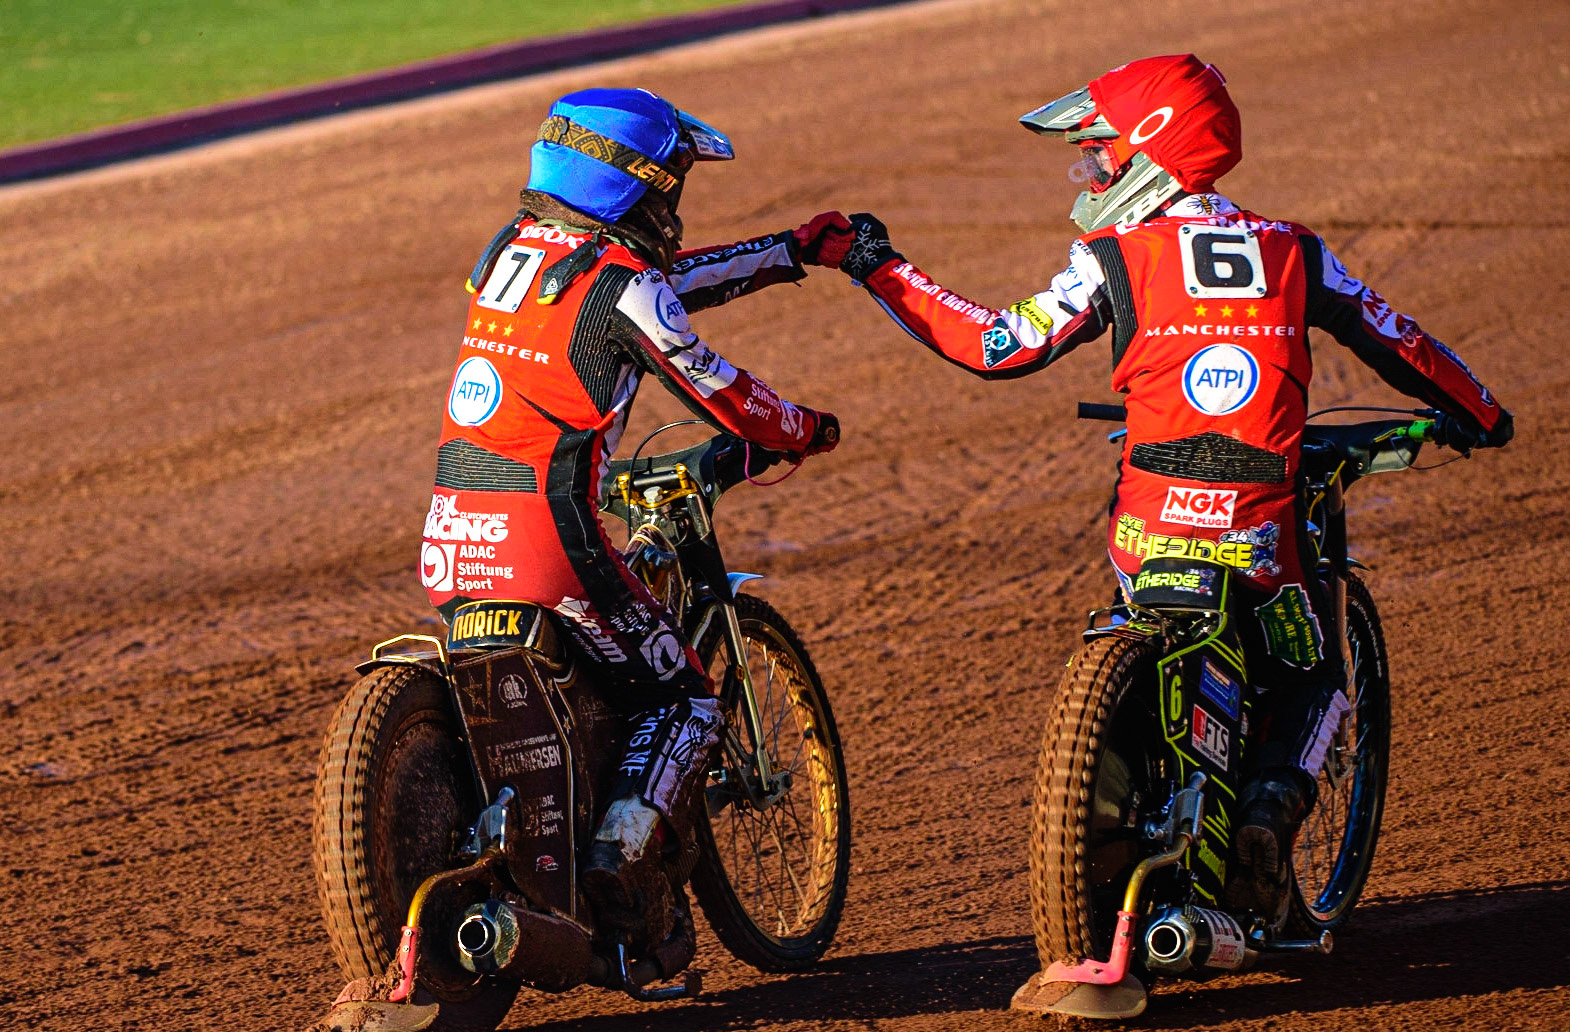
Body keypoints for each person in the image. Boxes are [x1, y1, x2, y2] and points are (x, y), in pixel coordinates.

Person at [831, 55, 1513, 923]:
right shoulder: (1294, 250)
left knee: (1132, 612)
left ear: (1152, 152)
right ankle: (1267, 808)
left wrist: (879, 266)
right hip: (1263, 527)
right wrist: (1482, 414)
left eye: (1099, 155)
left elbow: (997, 346)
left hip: (1148, 522)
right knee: (1314, 678)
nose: (1089, 174)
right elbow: (1400, 340)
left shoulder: (1112, 255)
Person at [420, 87, 848, 930]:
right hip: (550, 538)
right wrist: (802, 430)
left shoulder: (505, 253)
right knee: (682, 697)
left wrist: (788, 253)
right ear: (636, 184)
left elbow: (656, 287)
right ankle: (618, 851)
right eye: (672, 182)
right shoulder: (622, 287)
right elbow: (725, 393)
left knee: (596, 676)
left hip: (450, 540)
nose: (675, 202)